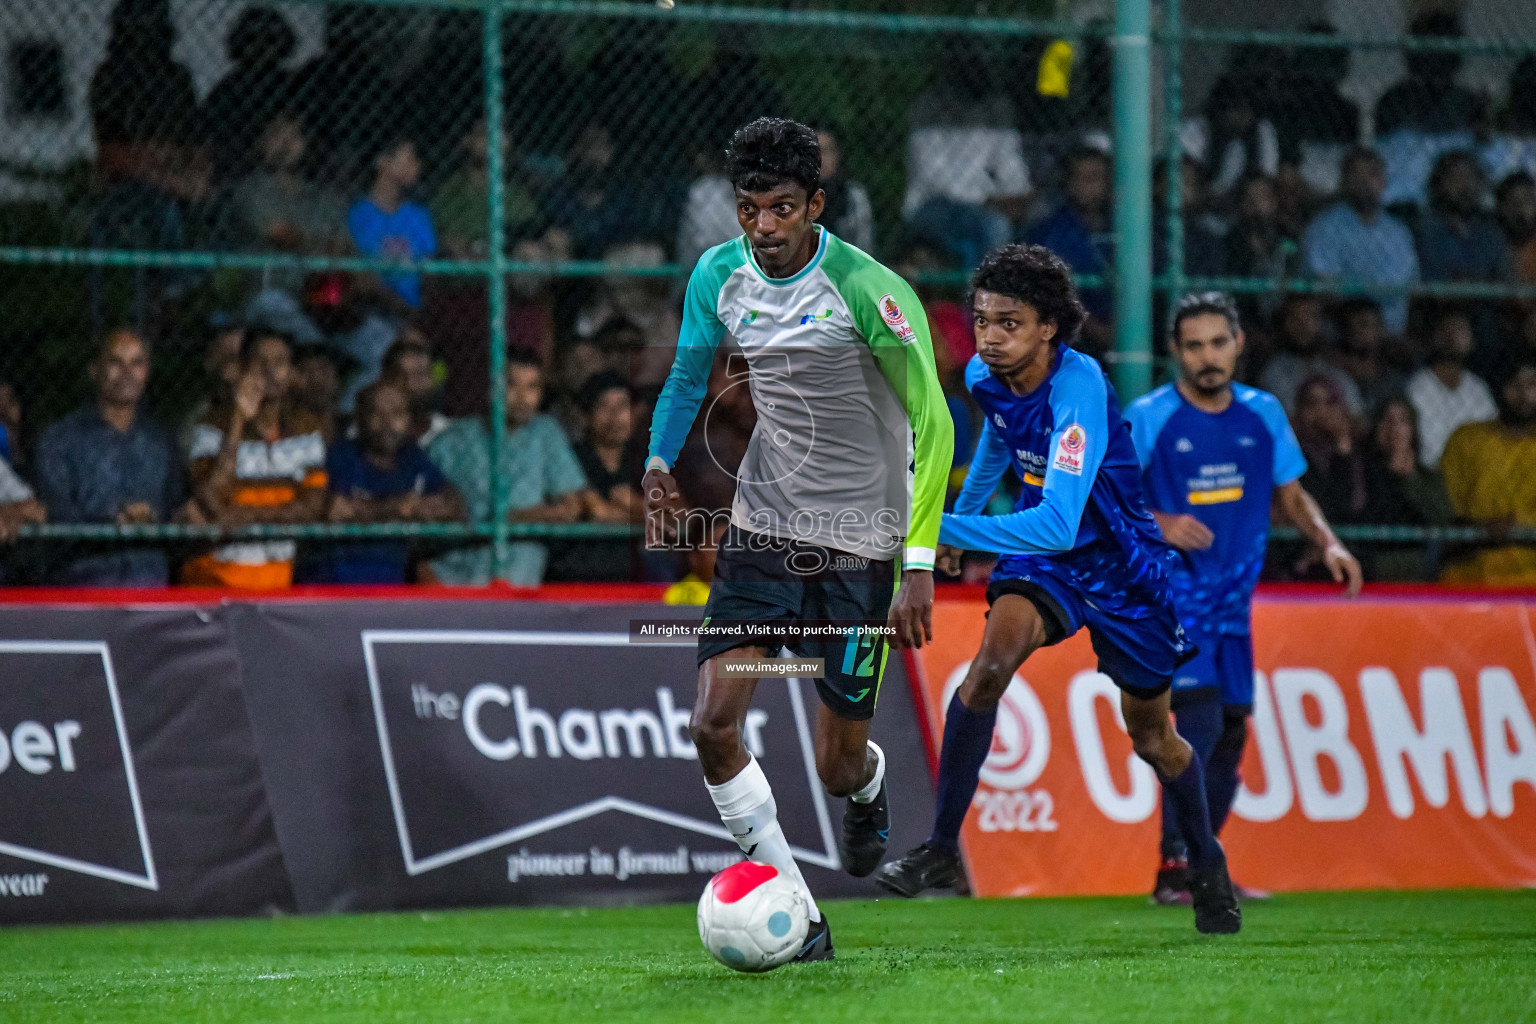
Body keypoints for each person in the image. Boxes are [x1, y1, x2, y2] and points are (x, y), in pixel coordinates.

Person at [643, 118, 951, 961]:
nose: (764, 228)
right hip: (762, 527)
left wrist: (917, 565)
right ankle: (802, 916)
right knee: (713, 722)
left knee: (836, 766)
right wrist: (660, 460)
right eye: (749, 209)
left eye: (782, 208)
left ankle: (872, 785)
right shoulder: (719, 273)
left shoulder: (866, 288)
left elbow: (934, 420)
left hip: (858, 544)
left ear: (816, 205)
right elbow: (683, 375)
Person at [875, 248, 1239, 936]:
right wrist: (955, 530)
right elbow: (996, 445)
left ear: (1049, 329)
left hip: (1125, 569)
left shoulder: (1080, 387)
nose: (988, 336)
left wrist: (927, 522)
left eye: (1008, 322)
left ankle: (1207, 859)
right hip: (1048, 566)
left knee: (1156, 738)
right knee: (986, 671)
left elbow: (1057, 519)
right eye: (982, 319)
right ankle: (942, 849)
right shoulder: (987, 376)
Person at [1122, 292, 1362, 906]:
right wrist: (1161, 522)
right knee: (1197, 726)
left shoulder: (1263, 414)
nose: (1207, 357)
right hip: (1173, 600)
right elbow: (1104, 500)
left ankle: (1199, 865)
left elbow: (1293, 492)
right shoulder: (1150, 417)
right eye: (1194, 346)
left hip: (1234, 608)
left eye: (1217, 343)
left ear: (1238, 344)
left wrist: (1329, 543)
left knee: (1231, 732)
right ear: (1176, 352)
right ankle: (1177, 866)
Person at [34, 328, 185, 586]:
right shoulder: (60, 440)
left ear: (147, 372)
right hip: (83, 590)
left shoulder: (161, 441)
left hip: (150, 592)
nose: (127, 373)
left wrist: (156, 519)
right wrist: (113, 521)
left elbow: (179, 512)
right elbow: (54, 519)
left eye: (137, 363)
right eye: (116, 362)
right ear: (94, 370)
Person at [183, 330, 328, 589]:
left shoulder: (307, 431)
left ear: (293, 374)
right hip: (214, 581)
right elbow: (212, 500)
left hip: (276, 584)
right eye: (259, 362)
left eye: (280, 362)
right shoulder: (210, 428)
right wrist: (238, 419)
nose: (270, 371)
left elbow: (312, 510)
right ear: (241, 370)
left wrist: (243, 517)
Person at [429, 351, 586, 587]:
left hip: (519, 579)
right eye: (512, 385)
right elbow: (427, 513)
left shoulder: (545, 433)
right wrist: (536, 514)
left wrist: (507, 518)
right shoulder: (453, 440)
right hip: (454, 579)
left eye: (532, 388)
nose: (522, 397)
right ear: (492, 387)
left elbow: (571, 507)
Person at [902, 43, 1031, 271]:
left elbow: (1011, 167)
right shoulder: (930, 108)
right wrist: (986, 201)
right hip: (934, 206)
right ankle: (983, 305)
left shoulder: (995, 109)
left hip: (988, 205)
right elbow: (934, 177)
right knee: (995, 226)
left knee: (1036, 224)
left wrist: (1015, 195)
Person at [322, 379, 464, 584]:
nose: (388, 424)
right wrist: (395, 508)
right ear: (360, 418)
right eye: (376, 414)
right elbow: (334, 510)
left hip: (393, 582)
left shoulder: (413, 457)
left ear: (408, 418)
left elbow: (452, 506)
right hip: (336, 581)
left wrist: (420, 508)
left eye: (397, 414)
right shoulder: (338, 457)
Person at [1301, 147, 1419, 336]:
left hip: (1392, 337)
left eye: (1372, 174)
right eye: (1357, 174)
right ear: (1344, 181)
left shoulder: (1398, 232)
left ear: (1383, 181)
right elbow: (1324, 289)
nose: (1364, 182)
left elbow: (1410, 288)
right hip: (1340, 336)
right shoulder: (1325, 227)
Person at [1439, 358, 1536, 585]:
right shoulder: (1466, 439)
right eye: (1515, 385)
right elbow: (1444, 509)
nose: (1524, 395)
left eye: (1532, 385)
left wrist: (1518, 526)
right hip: (1470, 575)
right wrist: (1479, 530)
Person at [1024, 147, 1115, 354]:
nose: (1089, 186)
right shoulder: (1050, 232)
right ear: (1068, 184)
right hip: (1074, 333)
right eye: (1081, 178)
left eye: (1095, 178)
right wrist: (1095, 329)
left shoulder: (1125, 226)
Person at [233, 114, 349, 263]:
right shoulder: (252, 190)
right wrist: (320, 244)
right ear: (261, 143)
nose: (286, 142)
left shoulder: (319, 196)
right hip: (268, 279)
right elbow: (281, 235)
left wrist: (306, 240)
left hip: (315, 281)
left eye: (294, 135)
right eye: (277, 134)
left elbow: (341, 246)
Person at [1361, 398, 1454, 582]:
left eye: (1402, 421)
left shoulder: (1426, 476)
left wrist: (1409, 479)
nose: (1394, 428)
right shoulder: (1358, 469)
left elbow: (1442, 519)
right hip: (1369, 565)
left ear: (1413, 430)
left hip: (1417, 566)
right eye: (1386, 420)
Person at [202, 5, 297, 182]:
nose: (260, 47)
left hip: (285, 164)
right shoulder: (228, 87)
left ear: (281, 43)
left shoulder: (292, 84)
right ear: (240, 43)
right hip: (239, 167)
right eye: (252, 39)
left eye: (269, 40)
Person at [348, 134, 437, 310]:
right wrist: (394, 304)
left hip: (416, 309)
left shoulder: (418, 215)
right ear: (383, 161)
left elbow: (429, 269)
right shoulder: (358, 214)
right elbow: (359, 273)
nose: (416, 166)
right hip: (372, 308)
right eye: (409, 159)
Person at [1405, 306, 1498, 468]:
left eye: (1460, 330)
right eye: (1446, 329)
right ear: (1433, 337)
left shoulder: (1478, 389)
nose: (1452, 336)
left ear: (1472, 340)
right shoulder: (1417, 387)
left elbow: (1490, 437)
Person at [1258, 293, 1365, 419]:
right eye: (1295, 318)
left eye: (1310, 317)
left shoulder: (1334, 365)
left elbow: (1357, 417)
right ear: (1283, 323)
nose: (1303, 326)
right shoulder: (1273, 372)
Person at [1414, 151, 1506, 284]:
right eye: (1455, 178)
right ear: (1438, 184)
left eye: (1470, 178)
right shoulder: (1424, 228)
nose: (1464, 186)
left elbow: (1503, 276)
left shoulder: (1490, 230)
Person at [1331, 298, 1406, 418]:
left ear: (1380, 329)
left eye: (1364, 325)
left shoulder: (1391, 380)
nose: (1357, 331)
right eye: (1351, 326)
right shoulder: (1335, 378)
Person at [380, 334, 451, 448]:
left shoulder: (450, 433)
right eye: (404, 376)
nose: (413, 384)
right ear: (389, 381)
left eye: (421, 375)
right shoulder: (368, 432)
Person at [816, 129, 875, 254]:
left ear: (837, 155)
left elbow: (863, 247)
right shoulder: (794, 195)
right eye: (814, 151)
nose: (821, 158)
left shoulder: (854, 195)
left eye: (826, 151)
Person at [1496, 171, 1536, 285]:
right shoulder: (1492, 244)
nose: (1520, 207)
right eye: (1513, 201)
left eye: (1526, 200)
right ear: (1502, 208)